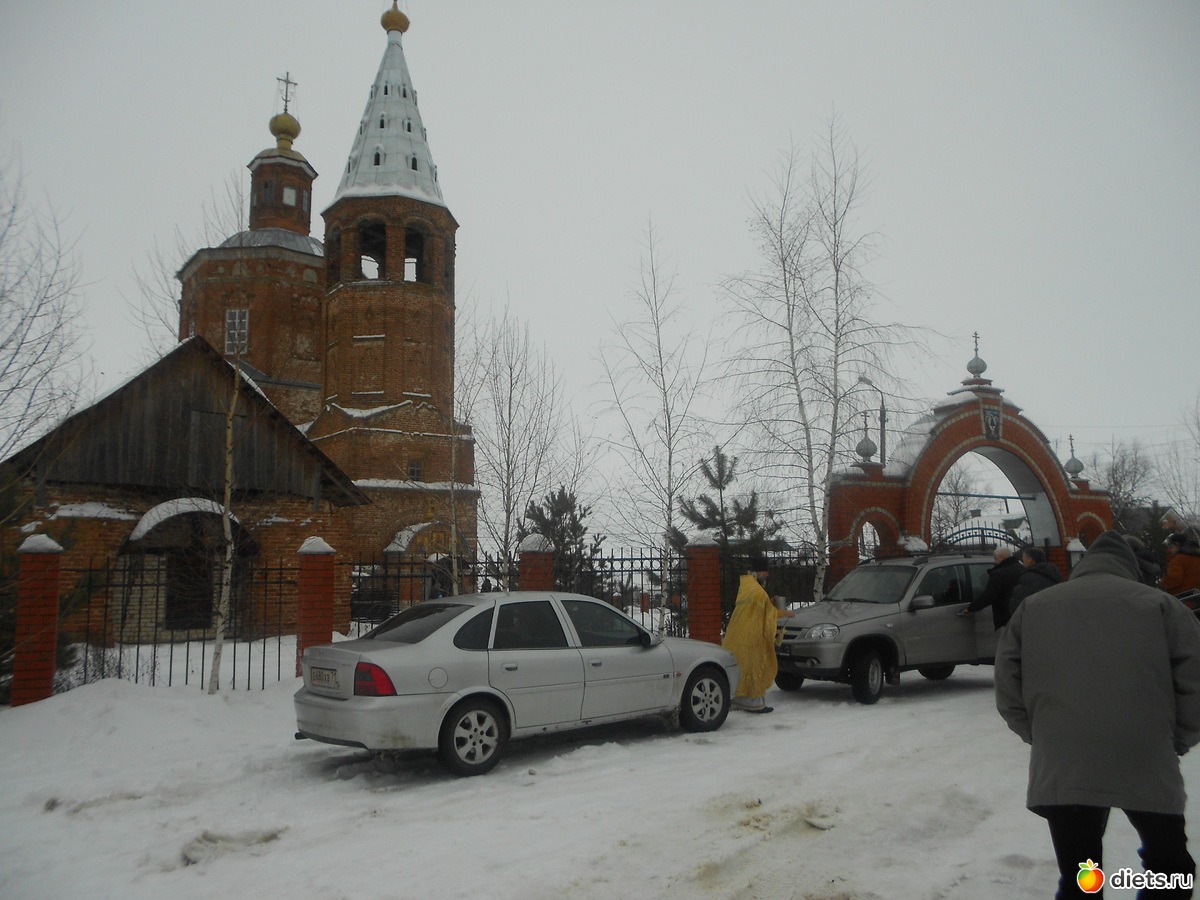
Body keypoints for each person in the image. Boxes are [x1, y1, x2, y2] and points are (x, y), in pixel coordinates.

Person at [995, 530, 1200, 898]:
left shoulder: (1034, 608)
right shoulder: (1162, 606)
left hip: (1064, 758)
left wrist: (1040, 735)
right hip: (1145, 754)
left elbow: (1008, 685)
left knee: (1081, 876)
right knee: (1170, 866)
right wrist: (1177, 739)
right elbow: (1195, 684)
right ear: (1131, 566)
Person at [722, 555, 795, 714]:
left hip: (737, 634)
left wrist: (769, 602)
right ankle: (753, 702)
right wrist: (786, 613)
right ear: (759, 572)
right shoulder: (757, 591)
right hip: (752, 636)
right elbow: (768, 614)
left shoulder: (747, 587)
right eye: (765, 571)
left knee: (741, 666)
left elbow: (758, 609)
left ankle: (738, 699)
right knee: (754, 666)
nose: (767, 575)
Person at [960, 546, 1023, 629]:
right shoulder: (1023, 569)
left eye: (995, 558)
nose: (994, 561)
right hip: (1022, 612)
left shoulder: (998, 574)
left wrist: (971, 608)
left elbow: (989, 595)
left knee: (1008, 636)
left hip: (1005, 615)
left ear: (1001, 557)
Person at [1005, 547, 1061, 619]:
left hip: (1034, 617)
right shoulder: (1053, 573)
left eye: (1024, 557)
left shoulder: (1028, 577)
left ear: (1031, 560)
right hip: (1054, 613)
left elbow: (1018, 602)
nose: (1022, 560)